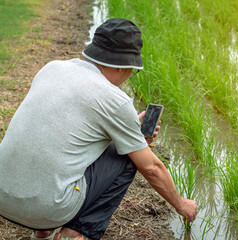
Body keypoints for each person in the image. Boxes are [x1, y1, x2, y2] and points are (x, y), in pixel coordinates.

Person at [0, 18, 197, 240]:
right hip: (48, 208)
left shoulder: (52, 68)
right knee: (128, 158)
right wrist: (182, 205)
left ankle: (42, 231)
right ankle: (73, 233)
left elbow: (53, 130)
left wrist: (130, 131)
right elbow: (151, 167)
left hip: (2, 196)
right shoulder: (115, 100)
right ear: (123, 65)